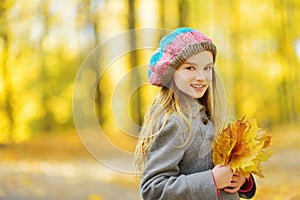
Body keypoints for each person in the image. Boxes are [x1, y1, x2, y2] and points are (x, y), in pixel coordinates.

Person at [134, 27, 256, 200]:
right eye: (190, 68)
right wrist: (211, 180)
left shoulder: (210, 117)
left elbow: (219, 168)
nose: (201, 77)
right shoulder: (175, 122)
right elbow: (153, 189)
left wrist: (241, 179)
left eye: (207, 68)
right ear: (171, 73)